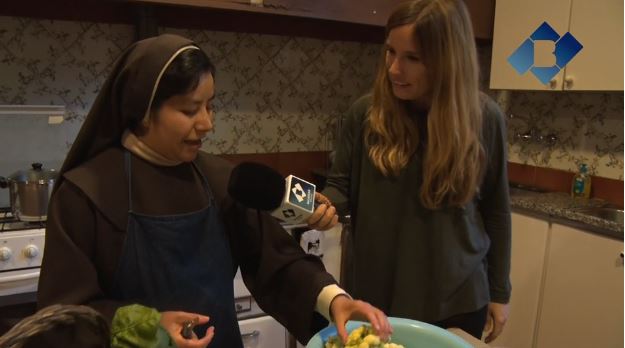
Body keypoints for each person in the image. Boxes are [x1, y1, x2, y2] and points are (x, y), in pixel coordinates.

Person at [37, 33, 391, 348]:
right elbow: (66, 316)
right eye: (190, 110)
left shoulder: (220, 180)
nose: (207, 123)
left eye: (210, 106)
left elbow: (276, 261)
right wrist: (149, 327)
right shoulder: (85, 194)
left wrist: (333, 300)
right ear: (143, 111)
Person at [316, 0, 511, 343]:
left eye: (412, 58)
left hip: (459, 299)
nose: (394, 68)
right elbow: (340, 187)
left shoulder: (485, 119)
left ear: (447, 62)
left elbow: (496, 211)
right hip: (379, 299)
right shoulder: (365, 114)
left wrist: (499, 292)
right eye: (390, 52)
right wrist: (324, 206)